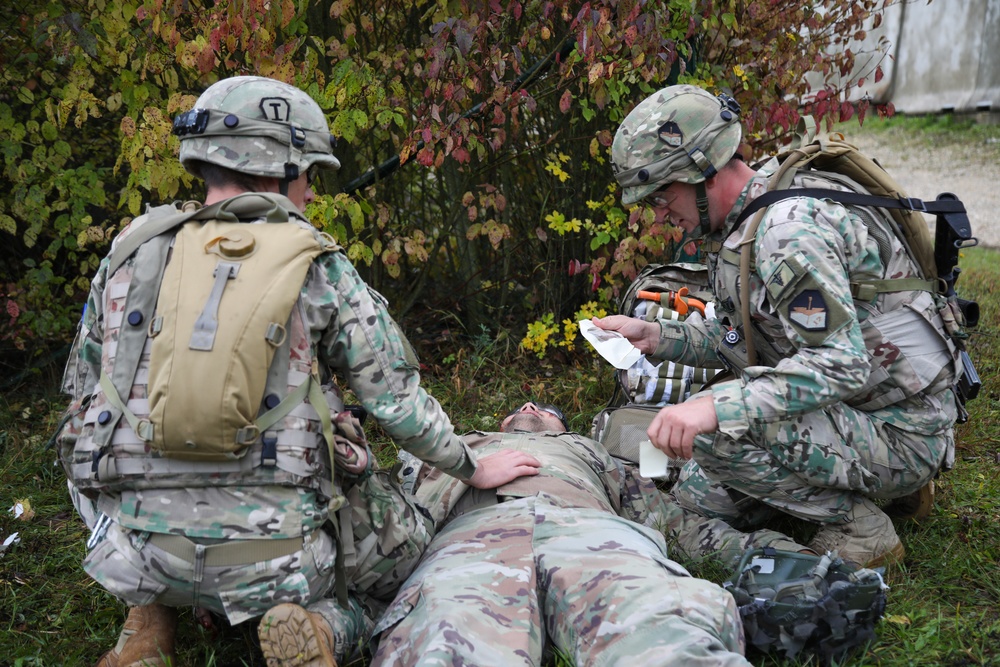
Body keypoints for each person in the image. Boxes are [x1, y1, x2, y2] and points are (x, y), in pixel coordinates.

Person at [55, 75, 540, 667]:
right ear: (278, 169)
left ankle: (148, 622)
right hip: (278, 562)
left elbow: (80, 395)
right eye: (308, 172)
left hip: (132, 550)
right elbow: (395, 403)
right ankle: (326, 626)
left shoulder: (130, 250)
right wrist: (471, 465)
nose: (310, 191)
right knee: (407, 553)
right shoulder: (317, 263)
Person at [593, 84, 960, 568]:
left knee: (711, 433)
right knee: (697, 498)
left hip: (901, 429)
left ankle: (864, 526)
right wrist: (659, 338)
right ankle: (885, 485)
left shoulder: (788, 233)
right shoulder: (755, 210)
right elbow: (750, 339)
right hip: (867, 410)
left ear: (703, 169)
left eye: (662, 194)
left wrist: (715, 407)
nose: (658, 213)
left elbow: (840, 364)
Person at [369, 401, 815, 667]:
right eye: (520, 409)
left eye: (542, 409)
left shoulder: (592, 453)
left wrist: (783, 555)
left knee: (660, 627)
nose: (528, 409)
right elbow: (385, 515)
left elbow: (675, 522)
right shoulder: (451, 448)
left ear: (564, 428)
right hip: (469, 539)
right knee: (442, 637)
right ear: (499, 428)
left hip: (593, 534)